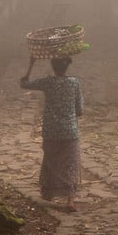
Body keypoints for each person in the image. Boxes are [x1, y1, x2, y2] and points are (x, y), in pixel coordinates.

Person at [20, 54, 84, 211]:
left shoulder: (48, 82)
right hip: (70, 131)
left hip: (51, 131)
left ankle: (48, 193)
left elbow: (25, 84)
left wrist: (31, 64)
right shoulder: (74, 83)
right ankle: (70, 200)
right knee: (71, 164)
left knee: (50, 161)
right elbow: (80, 110)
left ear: (53, 67)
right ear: (66, 67)